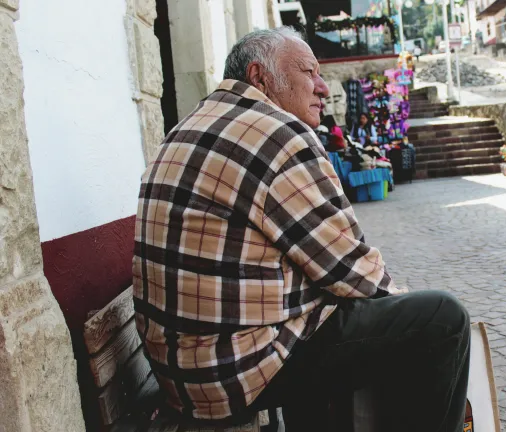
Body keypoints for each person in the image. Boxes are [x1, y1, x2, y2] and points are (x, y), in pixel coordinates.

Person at [132, 27, 470, 432]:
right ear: (260, 78)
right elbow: (351, 270)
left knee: (322, 315)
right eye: (309, 72)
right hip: (231, 375)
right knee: (442, 319)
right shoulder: (278, 133)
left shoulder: (190, 125)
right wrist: (399, 299)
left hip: (183, 371)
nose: (323, 88)